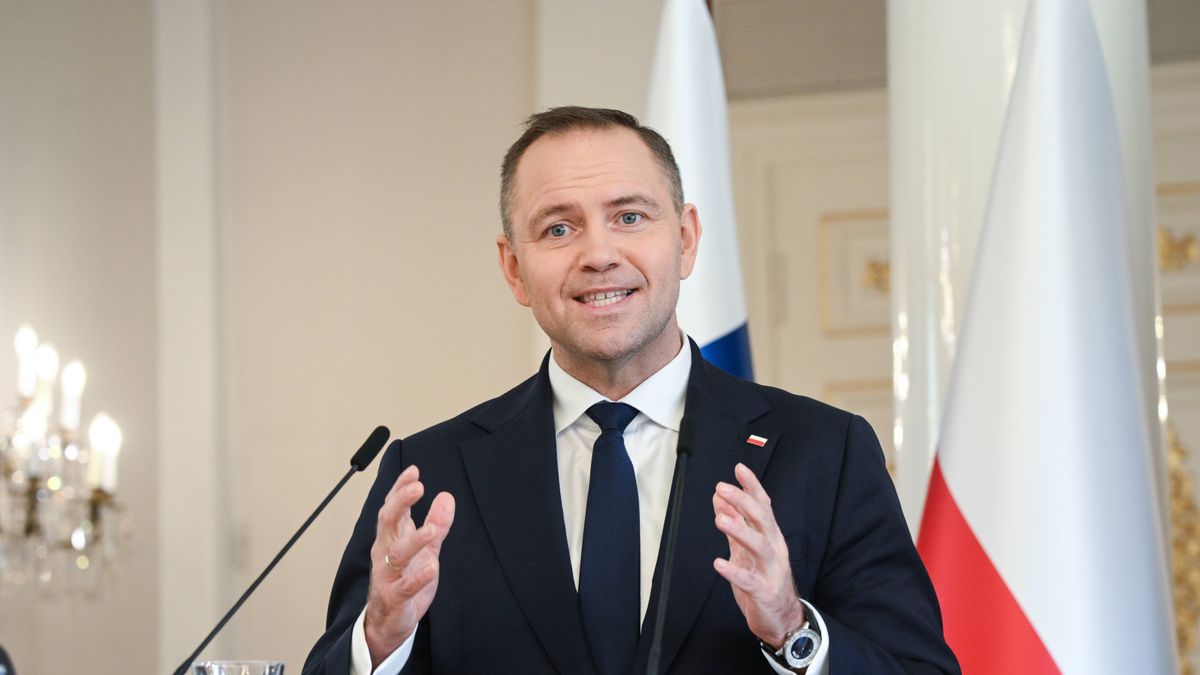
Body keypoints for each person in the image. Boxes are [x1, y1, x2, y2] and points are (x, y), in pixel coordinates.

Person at [302, 107, 959, 674]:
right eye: (558, 228)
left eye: (629, 216)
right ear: (514, 268)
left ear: (685, 240)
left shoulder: (824, 452)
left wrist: (792, 627)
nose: (598, 253)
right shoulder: (430, 473)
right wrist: (378, 640)